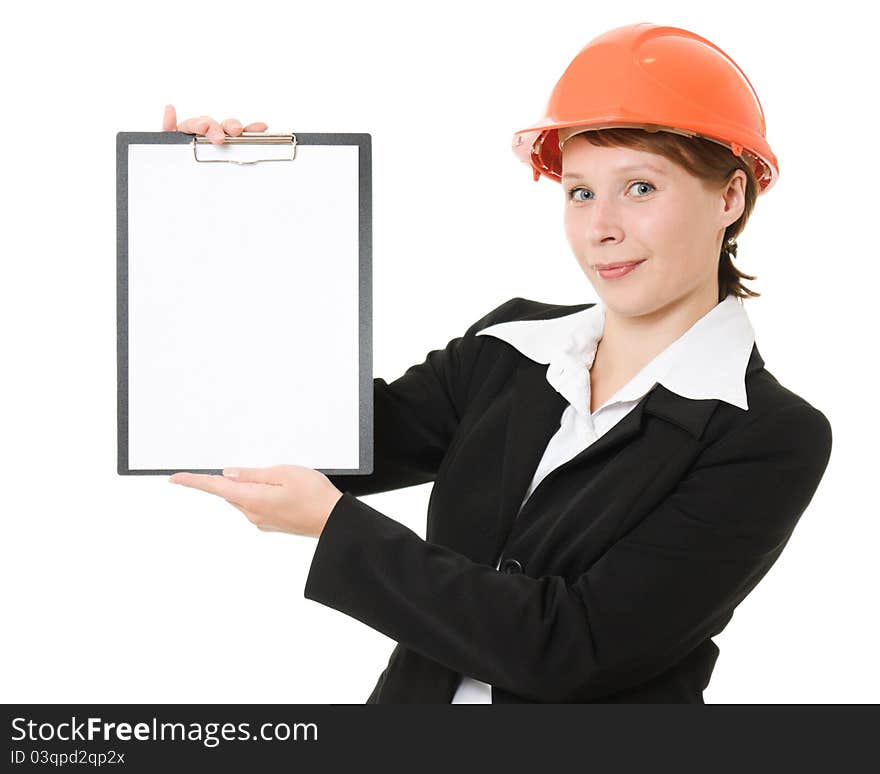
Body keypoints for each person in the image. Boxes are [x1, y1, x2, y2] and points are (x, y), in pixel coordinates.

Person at [168, 22, 833, 703]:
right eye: (579, 192)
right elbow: (300, 441)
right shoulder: (511, 349)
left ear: (730, 196)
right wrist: (215, 218)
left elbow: (572, 649)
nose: (601, 226)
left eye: (639, 188)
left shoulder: (769, 437)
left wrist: (338, 529)